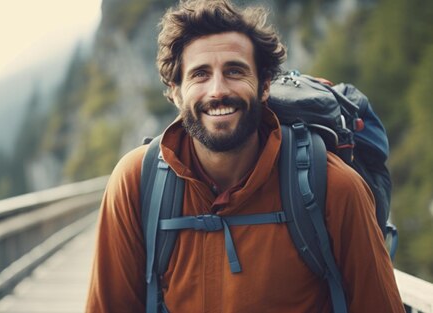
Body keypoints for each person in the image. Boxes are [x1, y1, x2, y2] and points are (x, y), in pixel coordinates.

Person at [85, 0, 404, 312]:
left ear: (264, 86)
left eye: (235, 71)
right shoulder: (137, 183)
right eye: (199, 74)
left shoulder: (333, 186)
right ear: (175, 91)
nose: (217, 90)